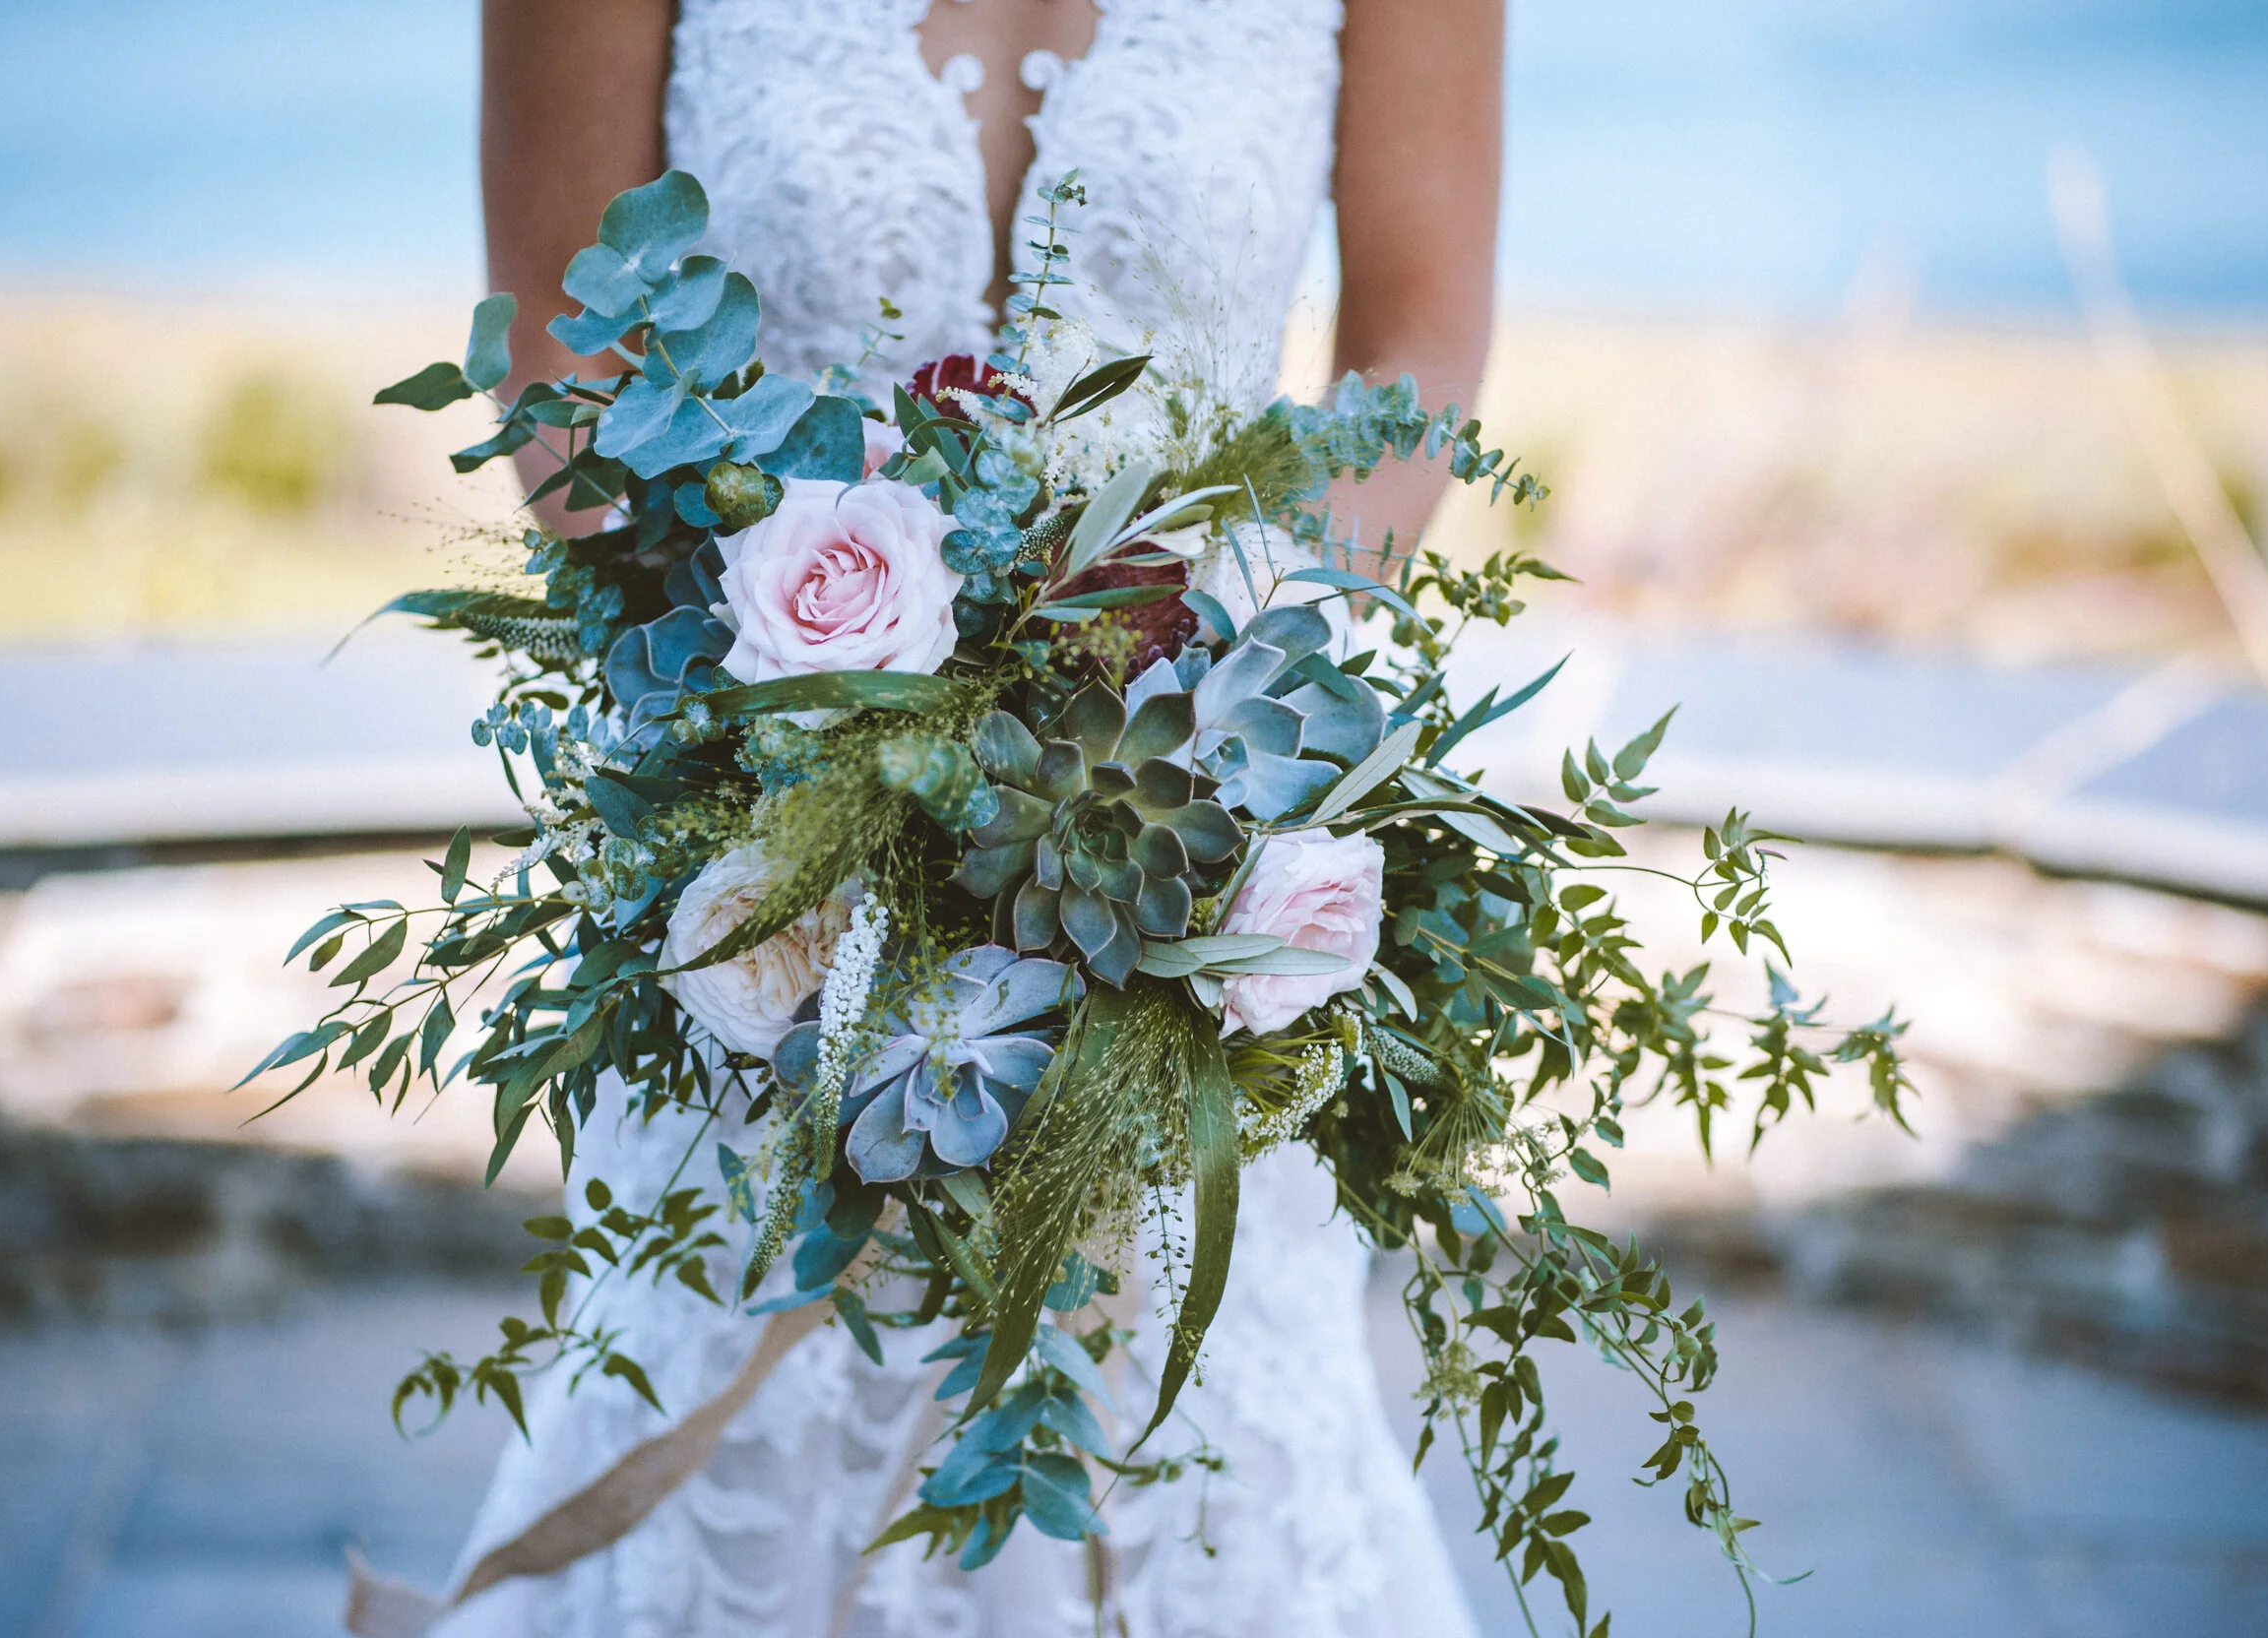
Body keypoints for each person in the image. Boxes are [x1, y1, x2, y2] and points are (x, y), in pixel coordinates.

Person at [437, 3, 1502, 1633]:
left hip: (1191, 876)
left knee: (1188, 1449)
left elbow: (1418, 337)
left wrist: (1227, 704)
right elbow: (565, 351)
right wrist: (805, 775)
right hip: (769, 911)